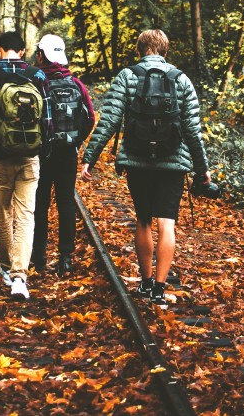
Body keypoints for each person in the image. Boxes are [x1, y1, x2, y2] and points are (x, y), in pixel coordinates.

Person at [80, 29, 212, 308]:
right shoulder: (182, 80)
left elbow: (110, 120)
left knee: (143, 220)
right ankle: (160, 288)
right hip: (173, 162)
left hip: (138, 160)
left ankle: (146, 281)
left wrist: (90, 157)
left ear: (140, 50)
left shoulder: (127, 76)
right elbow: (192, 130)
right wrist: (202, 170)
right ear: (165, 51)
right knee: (167, 223)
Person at [0, 30, 53, 300]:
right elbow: (48, 119)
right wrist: (43, 150)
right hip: (30, 156)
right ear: (23, 51)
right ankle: (21, 277)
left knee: (2, 217)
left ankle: (7, 270)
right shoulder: (38, 76)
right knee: (26, 216)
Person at [31, 34, 94, 276]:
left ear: (41, 55)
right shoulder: (76, 84)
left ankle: (38, 256)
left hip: (42, 153)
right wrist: (76, 140)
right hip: (68, 153)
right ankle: (65, 257)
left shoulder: (37, 83)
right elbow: (90, 117)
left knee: (40, 203)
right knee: (66, 203)